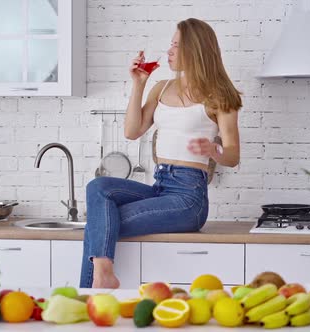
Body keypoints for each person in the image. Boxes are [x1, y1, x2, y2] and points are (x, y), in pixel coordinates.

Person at [80, 18, 242, 289]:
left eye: (176, 46)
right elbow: (132, 131)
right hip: (160, 186)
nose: (169, 51)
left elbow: (233, 155)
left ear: (195, 50)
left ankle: (88, 297)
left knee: (100, 225)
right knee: (99, 187)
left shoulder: (220, 96)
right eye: (171, 44)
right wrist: (139, 83)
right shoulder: (161, 87)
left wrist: (214, 150)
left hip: (189, 198)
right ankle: (103, 276)